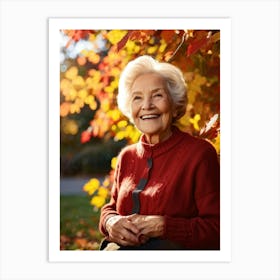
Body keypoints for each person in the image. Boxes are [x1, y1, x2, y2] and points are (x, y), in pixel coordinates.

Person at [99, 55, 220, 250]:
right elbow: (111, 207)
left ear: (174, 105)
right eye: (137, 97)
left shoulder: (200, 153)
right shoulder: (127, 156)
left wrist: (164, 226)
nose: (147, 105)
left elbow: (218, 229)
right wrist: (110, 222)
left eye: (157, 95)